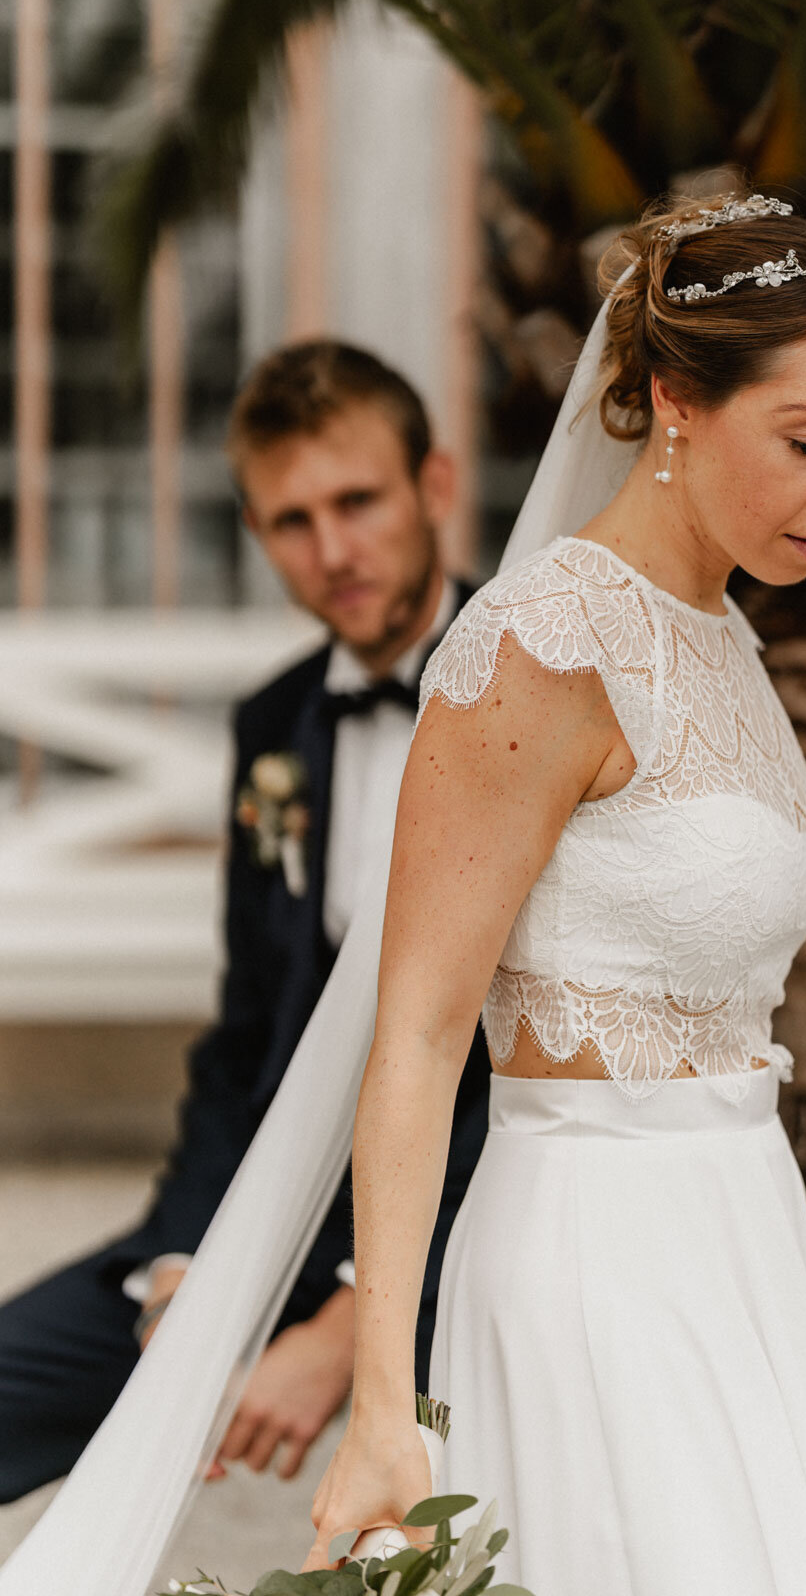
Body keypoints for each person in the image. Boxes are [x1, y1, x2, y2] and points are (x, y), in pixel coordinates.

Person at [301, 193, 806, 1594]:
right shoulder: (544, 640)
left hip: (741, 1238)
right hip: (595, 1263)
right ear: (672, 403)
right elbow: (411, 1037)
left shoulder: (720, 633)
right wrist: (383, 1406)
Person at [0, 341, 488, 1506]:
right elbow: (243, 1041)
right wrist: (180, 1268)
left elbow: (529, 1071)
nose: (332, 551)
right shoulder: (275, 726)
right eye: (291, 520)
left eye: (357, 502)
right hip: (275, 1210)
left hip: (467, 1228)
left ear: (434, 485)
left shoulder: (528, 693)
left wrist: (351, 1318)